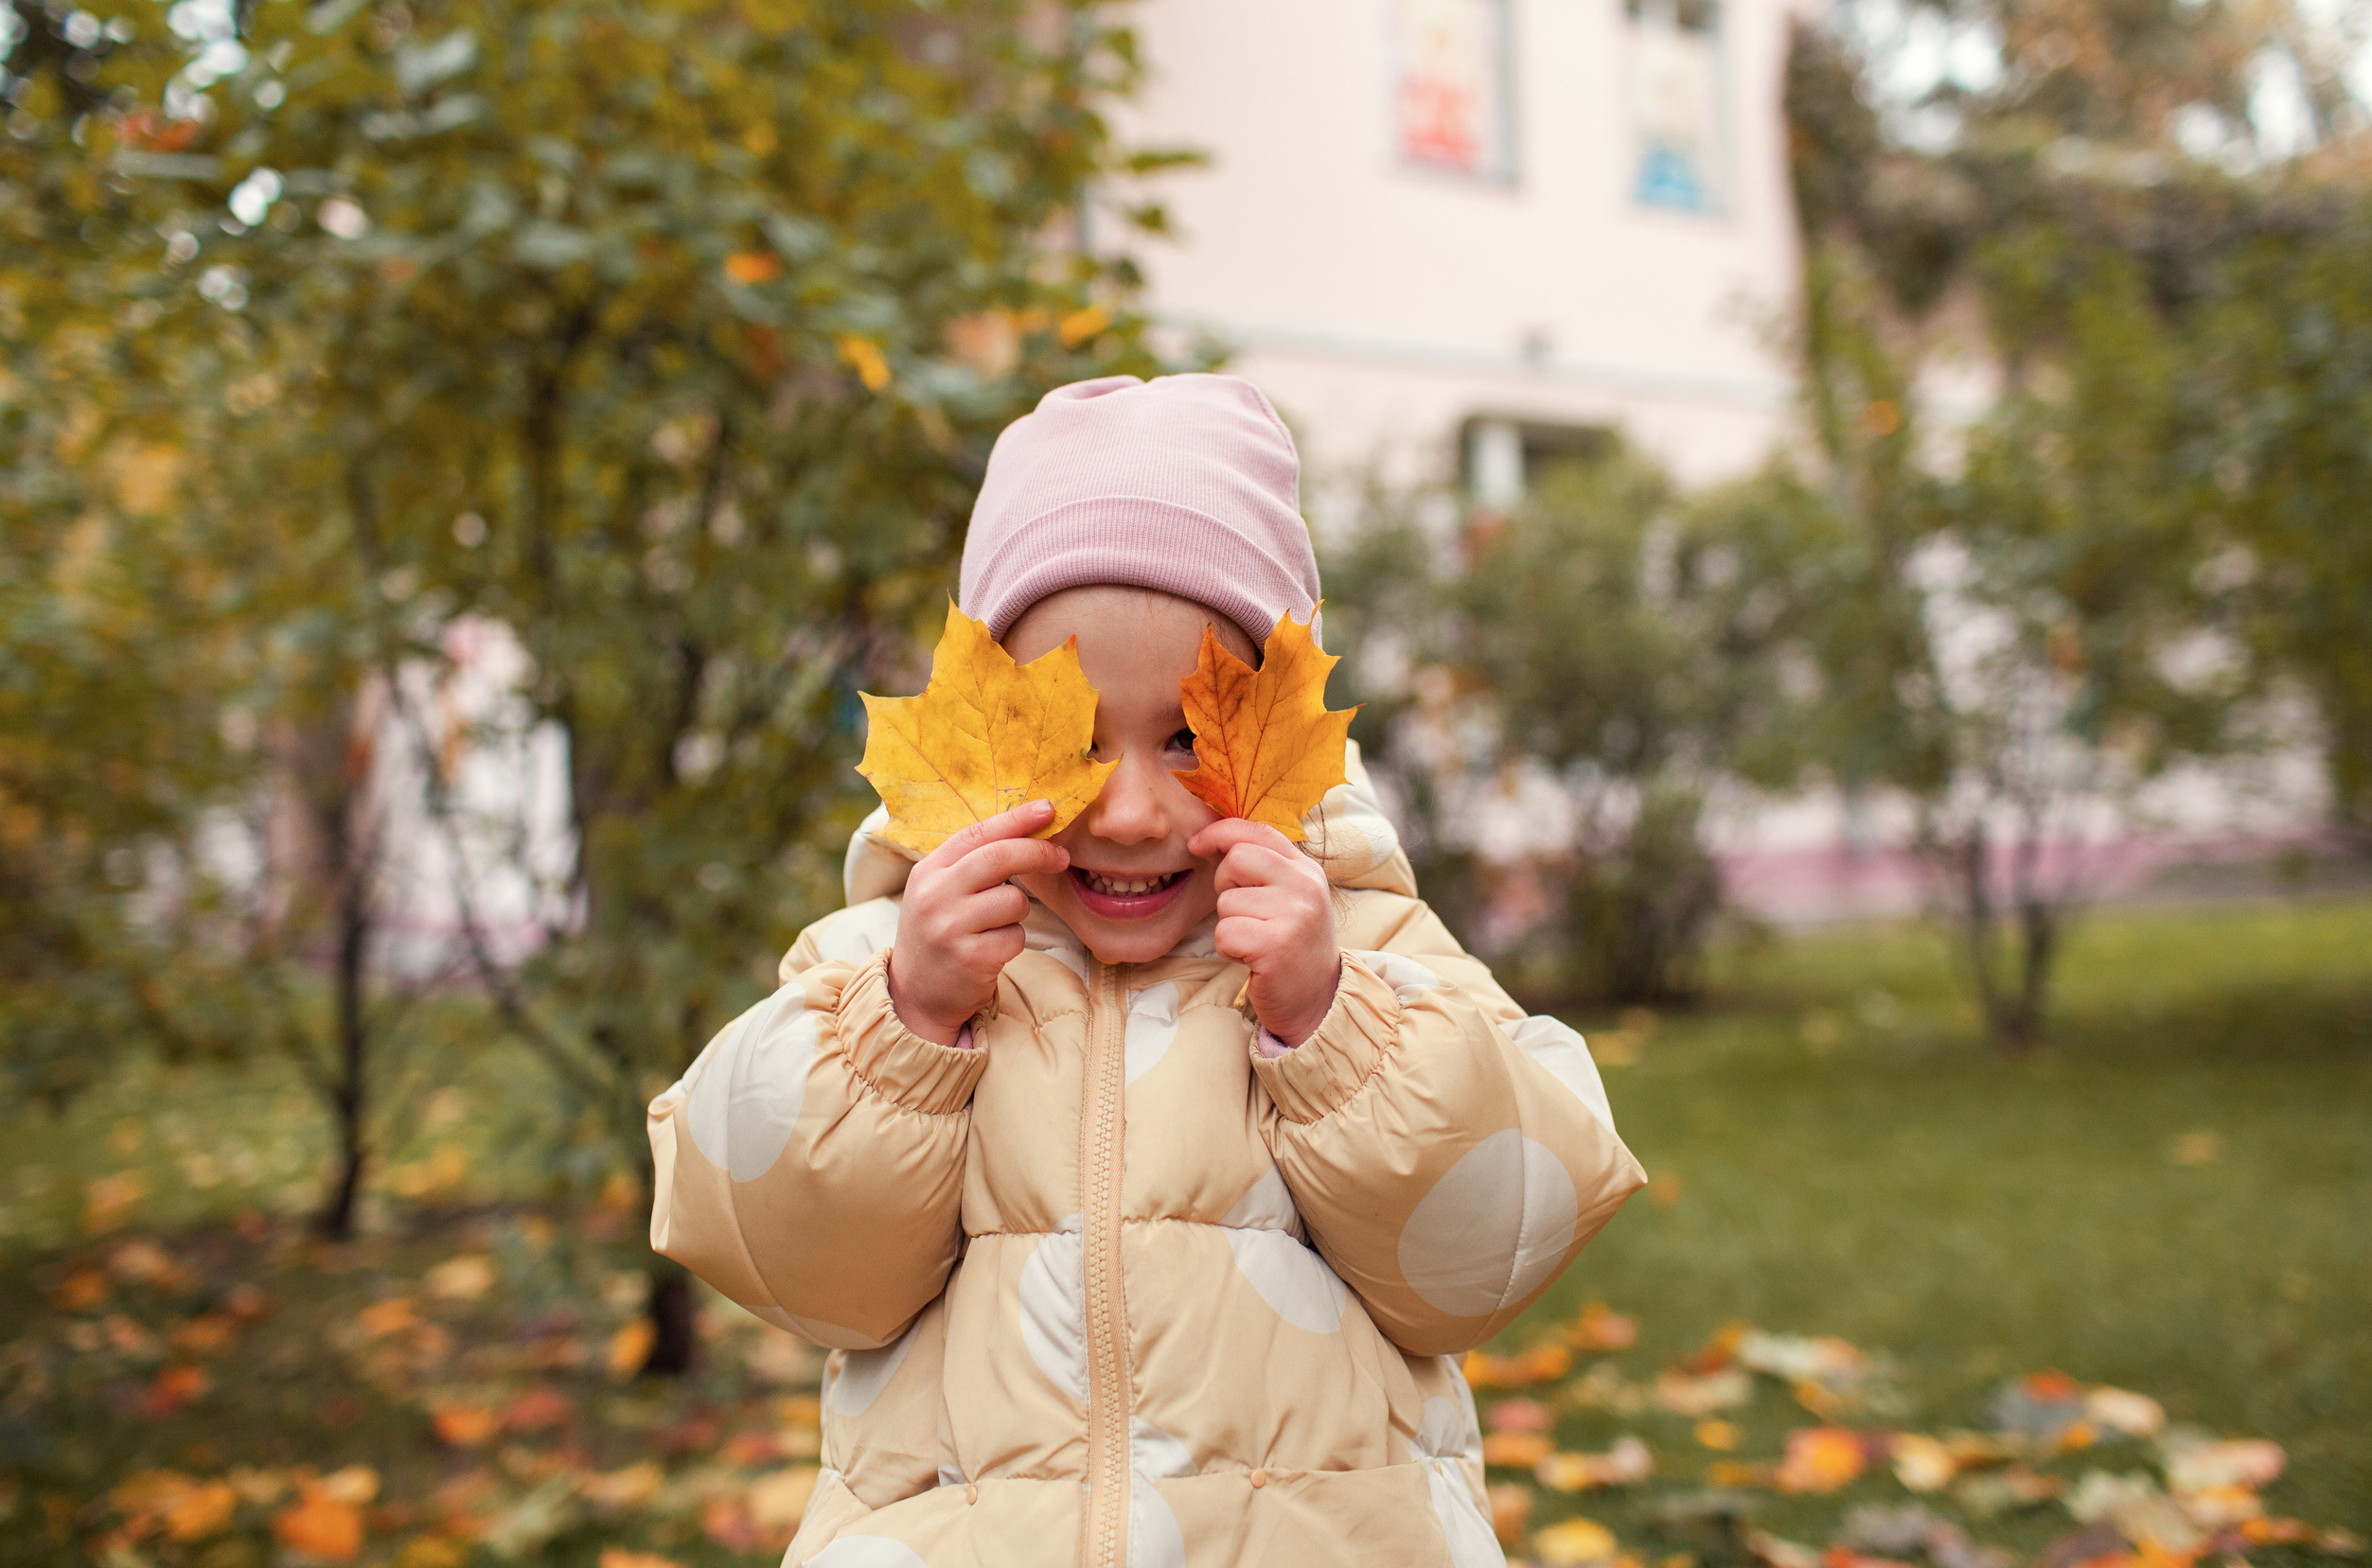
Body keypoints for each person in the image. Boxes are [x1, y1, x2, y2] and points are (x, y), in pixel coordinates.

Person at [648, 374, 1646, 1567]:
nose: (1127, 812)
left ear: (1282, 720)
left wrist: (1332, 1032)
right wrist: (906, 1029)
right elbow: (805, 1276)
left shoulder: (1367, 952)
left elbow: (1483, 1261)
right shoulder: (886, 965)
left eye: (1187, 734)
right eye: (1069, 736)